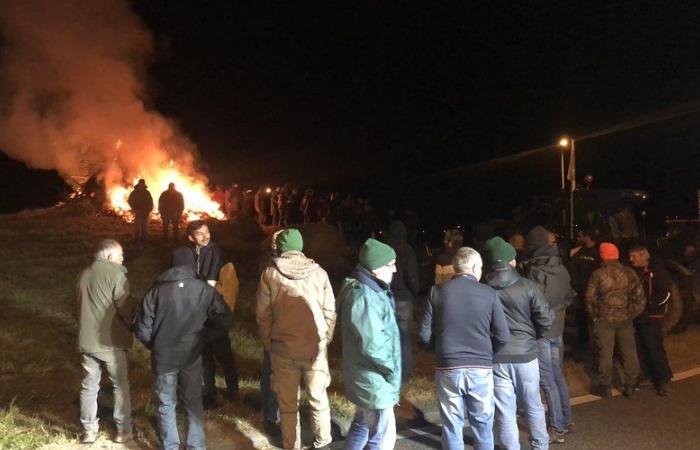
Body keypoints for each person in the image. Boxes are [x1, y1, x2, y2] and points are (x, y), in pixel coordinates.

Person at [419, 247, 511, 450]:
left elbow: (424, 335)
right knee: (483, 425)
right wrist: (488, 353)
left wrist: (440, 350)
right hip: (481, 366)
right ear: (475, 267)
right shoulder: (489, 293)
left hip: (448, 366)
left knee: (452, 425)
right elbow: (503, 335)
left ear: (455, 268)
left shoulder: (437, 291)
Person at [134, 264, 232, 450]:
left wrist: (155, 345)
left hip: (164, 357)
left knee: (166, 403)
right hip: (192, 356)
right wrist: (204, 337)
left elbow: (142, 328)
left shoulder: (156, 291)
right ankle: (196, 445)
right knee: (193, 401)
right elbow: (225, 318)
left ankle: (170, 446)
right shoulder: (204, 289)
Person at [256, 229, 336, 450]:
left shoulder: (270, 274)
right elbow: (330, 310)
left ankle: (292, 445)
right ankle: (323, 442)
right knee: (318, 398)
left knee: (288, 404)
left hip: (282, 349)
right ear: (300, 247)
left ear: (280, 248)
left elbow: (263, 315)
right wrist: (325, 337)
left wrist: (268, 342)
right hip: (314, 348)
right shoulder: (319, 273)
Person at [484, 237, 553, 449]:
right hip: (526, 355)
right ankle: (540, 445)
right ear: (512, 261)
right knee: (533, 404)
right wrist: (535, 336)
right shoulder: (527, 286)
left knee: (505, 410)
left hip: (497, 356)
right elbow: (546, 319)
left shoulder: (484, 289)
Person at [338, 239, 401, 450]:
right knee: (382, 438)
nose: (395, 269)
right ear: (375, 269)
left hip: (365, 376)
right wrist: (391, 369)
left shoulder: (366, 290)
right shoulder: (365, 297)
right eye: (390, 264)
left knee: (362, 425)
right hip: (374, 379)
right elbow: (373, 345)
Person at [173, 221, 237, 408]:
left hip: (214, 312)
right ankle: (210, 391)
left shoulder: (214, 252)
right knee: (205, 353)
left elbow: (209, 283)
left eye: (207, 232)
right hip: (198, 313)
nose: (205, 236)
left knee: (223, 352)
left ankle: (233, 389)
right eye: (200, 234)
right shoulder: (188, 253)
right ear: (191, 237)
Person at [77, 239, 135, 444]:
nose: (123, 259)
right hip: (110, 341)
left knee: (89, 386)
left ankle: (88, 431)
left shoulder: (85, 273)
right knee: (120, 385)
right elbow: (125, 308)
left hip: (86, 341)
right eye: (120, 255)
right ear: (110, 257)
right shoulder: (117, 275)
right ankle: (123, 430)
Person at [522, 226, 575, 440]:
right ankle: (567, 419)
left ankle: (556, 427)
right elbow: (568, 296)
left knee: (546, 379)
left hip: (542, 332)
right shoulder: (561, 267)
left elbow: (533, 304)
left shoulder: (536, 271)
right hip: (558, 329)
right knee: (557, 374)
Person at [585, 242, 646, 398]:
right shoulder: (629, 273)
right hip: (625, 319)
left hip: (604, 320)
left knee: (605, 353)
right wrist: (631, 313)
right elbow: (639, 297)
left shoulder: (598, 274)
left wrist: (594, 316)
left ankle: (605, 386)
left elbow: (589, 297)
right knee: (629, 351)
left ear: (602, 256)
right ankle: (630, 384)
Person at [629, 244, 674, 395]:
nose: (631, 259)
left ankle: (663, 379)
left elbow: (666, 293)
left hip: (652, 317)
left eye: (633, 256)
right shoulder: (638, 273)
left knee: (654, 348)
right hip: (640, 317)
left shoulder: (658, 273)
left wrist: (652, 305)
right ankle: (648, 376)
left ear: (643, 256)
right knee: (642, 349)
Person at [386, 220, 419, 383]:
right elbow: (412, 276)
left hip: (386, 297)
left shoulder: (385, 249)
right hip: (404, 299)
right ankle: (404, 374)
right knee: (404, 337)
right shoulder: (407, 249)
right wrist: (415, 293)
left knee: (386, 336)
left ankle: (389, 370)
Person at [568, 228, 601, 349]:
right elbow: (571, 267)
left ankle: (597, 345)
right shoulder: (579, 252)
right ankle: (584, 344)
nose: (578, 238)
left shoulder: (598, 252)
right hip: (581, 290)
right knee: (581, 318)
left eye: (580, 235)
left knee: (595, 320)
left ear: (587, 237)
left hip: (596, 292)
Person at [127, 179, 153, 243]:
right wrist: (134, 209)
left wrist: (148, 210)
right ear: (139, 184)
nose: (141, 185)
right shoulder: (134, 192)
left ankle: (143, 239)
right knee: (137, 227)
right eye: (140, 184)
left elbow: (151, 203)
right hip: (138, 212)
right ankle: (136, 239)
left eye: (142, 184)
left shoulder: (147, 193)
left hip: (145, 212)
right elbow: (130, 201)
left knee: (144, 226)